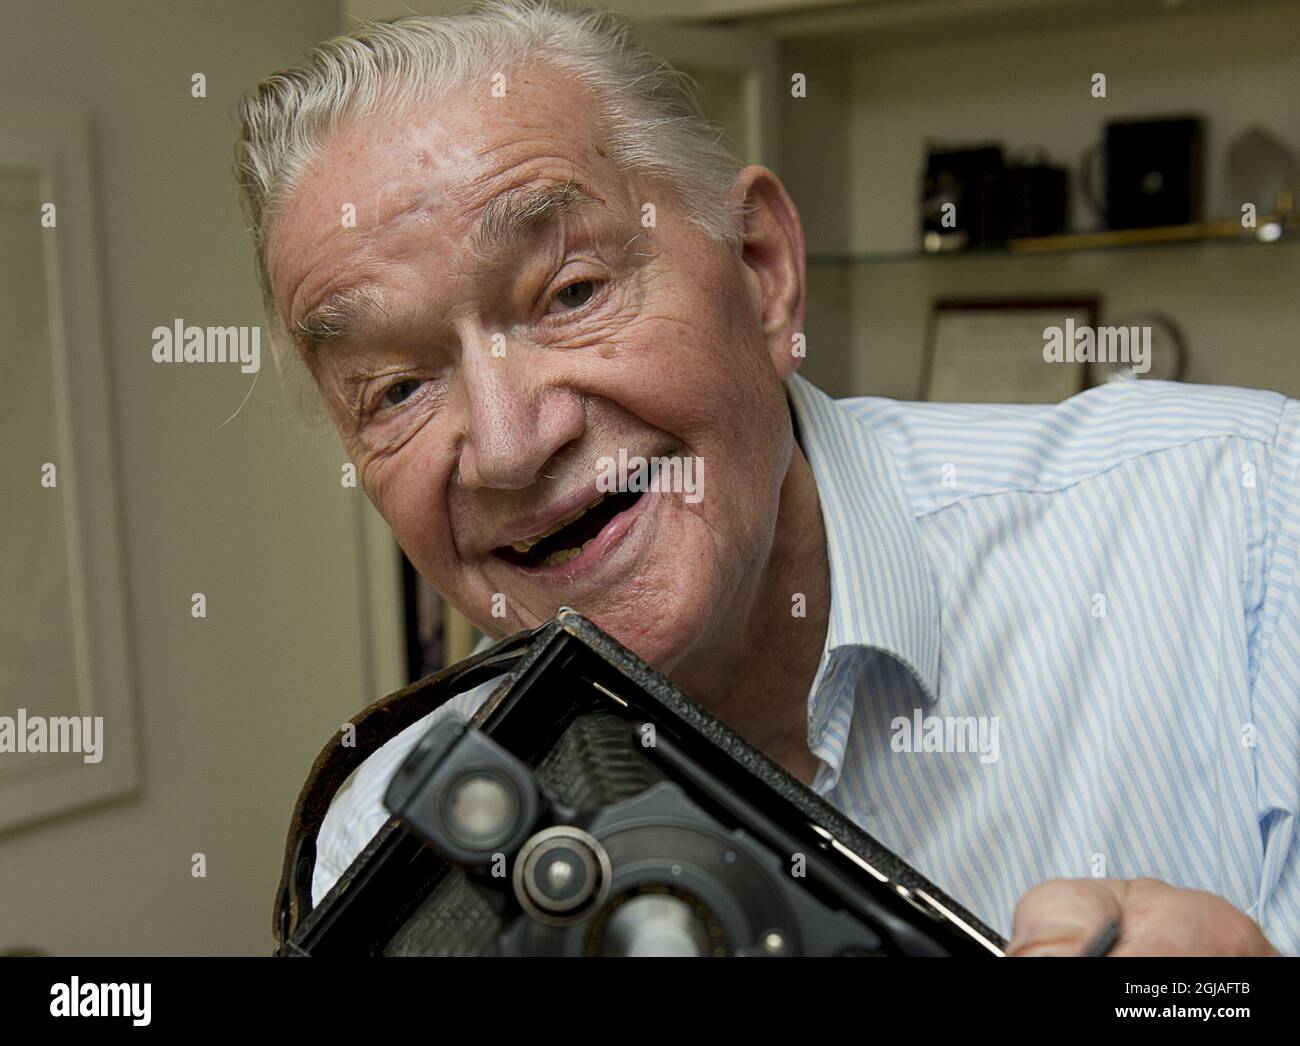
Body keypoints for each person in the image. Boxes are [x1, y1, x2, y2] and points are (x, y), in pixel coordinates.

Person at [235, 1, 1296, 955]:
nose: (510, 445)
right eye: (396, 387)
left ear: (761, 271)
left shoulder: (1246, 525)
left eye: (571, 290)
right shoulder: (391, 834)